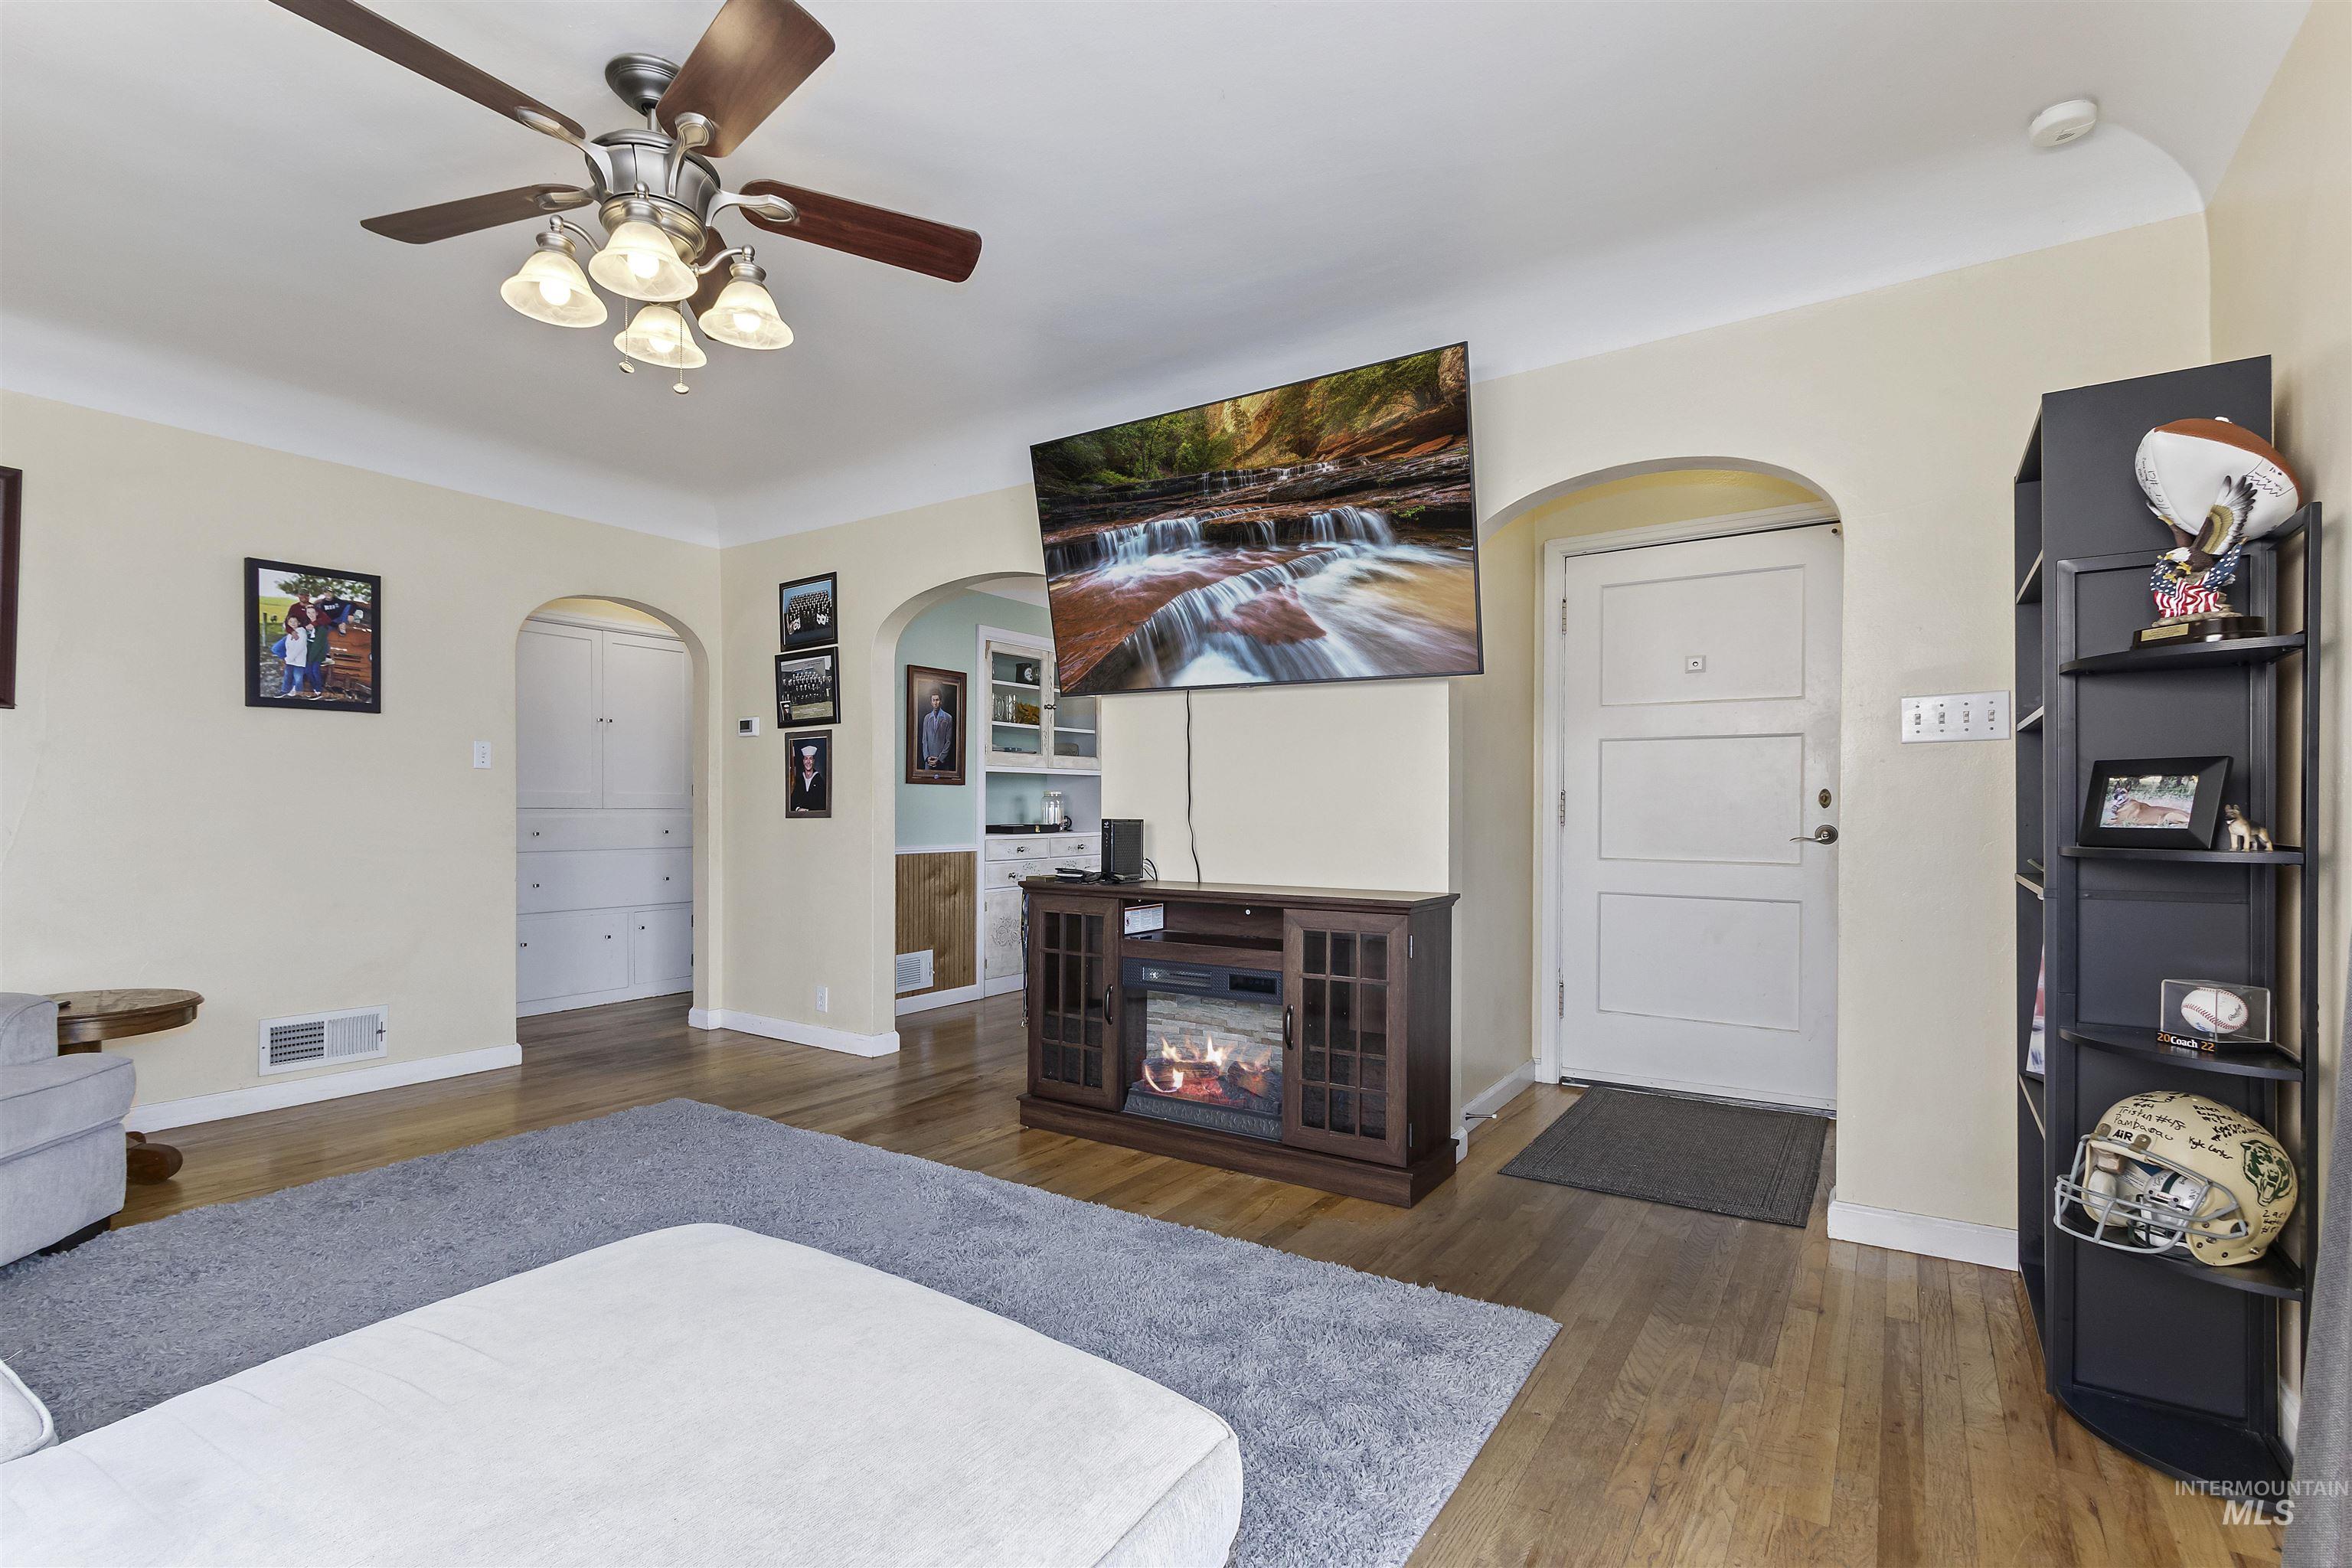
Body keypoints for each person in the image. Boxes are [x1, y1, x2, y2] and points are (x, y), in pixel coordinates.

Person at [271, 615, 310, 697]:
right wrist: (288, 658)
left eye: (295, 622)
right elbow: (288, 647)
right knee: (287, 676)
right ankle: (284, 690)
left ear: (299, 623)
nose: (293, 623)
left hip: (299, 661)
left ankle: (299, 694)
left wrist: (289, 658)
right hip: (290, 660)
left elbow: (300, 647)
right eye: (290, 622)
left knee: (298, 678)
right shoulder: (290, 633)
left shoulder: (301, 632)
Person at [918, 688, 956, 772]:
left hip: (943, 763)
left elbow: (949, 742)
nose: (935, 703)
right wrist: (927, 758)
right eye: (933, 700)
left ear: (941, 701)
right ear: (931, 702)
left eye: (937, 700)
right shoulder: (927, 718)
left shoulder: (948, 718)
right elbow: (925, 740)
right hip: (929, 763)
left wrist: (940, 759)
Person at [789, 743, 827, 814]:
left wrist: (808, 811)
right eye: (806, 759)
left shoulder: (820, 782)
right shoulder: (799, 781)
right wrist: (798, 809)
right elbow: (792, 803)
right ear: (803, 761)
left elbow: (823, 806)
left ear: (814, 761)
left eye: (811, 759)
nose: (808, 762)